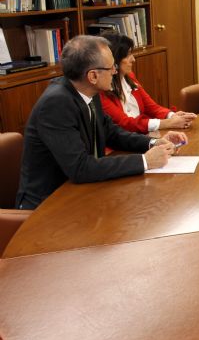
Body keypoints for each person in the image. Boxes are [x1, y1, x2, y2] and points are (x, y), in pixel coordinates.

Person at [16, 35, 187, 210]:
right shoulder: (56, 104)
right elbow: (80, 168)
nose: (115, 71)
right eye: (111, 67)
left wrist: (153, 143)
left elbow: (111, 132)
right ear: (93, 76)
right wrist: (145, 161)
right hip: (47, 205)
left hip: (80, 192)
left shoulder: (88, 91)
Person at [100, 32, 197, 133]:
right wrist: (168, 123)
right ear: (114, 59)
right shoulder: (100, 90)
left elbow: (152, 107)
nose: (133, 59)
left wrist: (172, 116)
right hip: (122, 143)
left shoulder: (129, 77)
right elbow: (125, 123)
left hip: (142, 136)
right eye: (128, 55)